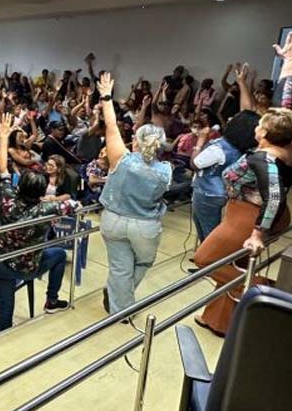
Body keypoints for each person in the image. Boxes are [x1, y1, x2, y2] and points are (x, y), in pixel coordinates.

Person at [193, 107, 292, 336]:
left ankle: (267, 290)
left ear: (265, 132)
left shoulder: (264, 160)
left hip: (250, 215)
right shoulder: (289, 146)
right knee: (235, 265)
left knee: (206, 260)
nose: (256, 127)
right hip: (248, 211)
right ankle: (219, 320)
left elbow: (274, 197)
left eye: (260, 124)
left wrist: (257, 234)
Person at [97, 72, 172, 315]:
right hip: (145, 225)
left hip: (113, 220)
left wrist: (106, 95)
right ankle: (122, 301)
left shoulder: (121, 158)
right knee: (144, 262)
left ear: (135, 141)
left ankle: (119, 309)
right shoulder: (166, 170)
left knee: (120, 268)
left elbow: (110, 125)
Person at [0, 113, 74, 332]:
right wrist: (60, 201)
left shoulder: (8, 197)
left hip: (3, 263)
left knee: (5, 305)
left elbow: (2, 168)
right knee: (59, 255)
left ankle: (3, 335)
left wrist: (3, 136)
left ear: (19, 188)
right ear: (40, 193)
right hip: (30, 266)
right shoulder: (46, 208)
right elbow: (73, 205)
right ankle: (52, 300)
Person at [190, 110, 260, 241]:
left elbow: (194, 164)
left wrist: (199, 143)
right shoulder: (242, 150)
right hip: (222, 191)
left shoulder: (218, 149)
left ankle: (209, 258)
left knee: (208, 232)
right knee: (212, 228)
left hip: (206, 193)